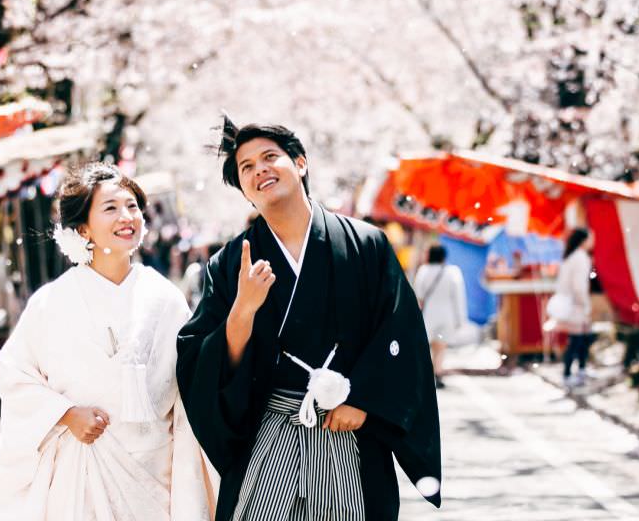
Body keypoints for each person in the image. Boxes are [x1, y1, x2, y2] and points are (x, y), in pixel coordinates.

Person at [176, 118, 442, 521]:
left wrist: (364, 398)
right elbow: (200, 359)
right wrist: (243, 310)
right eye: (246, 168)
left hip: (348, 425)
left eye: (270, 157)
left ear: (300, 163)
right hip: (269, 431)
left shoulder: (365, 245)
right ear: (244, 191)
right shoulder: (229, 264)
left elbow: (398, 330)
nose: (259, 170)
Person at [0, 162, 216, 521]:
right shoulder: (51, 303)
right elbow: (17, 378)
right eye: (111, 208)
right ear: (82, 228)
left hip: (154, 472)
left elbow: (188, 392)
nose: (127, 216)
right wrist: (65, 414)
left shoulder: (165, 298)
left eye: (133, 206)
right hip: (80, 469)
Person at [414, 244, 468, 388]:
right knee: (441, 346)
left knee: (428, 346)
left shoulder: (423, 271)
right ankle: (437, 372)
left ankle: (428, 374)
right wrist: (460, 319)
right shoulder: (453, 272)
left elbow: (418, 294)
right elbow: (458, 297)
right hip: (447, 315)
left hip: (428, 314)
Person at [555, 228, 594, 388]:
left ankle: (580, 370)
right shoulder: (580, 258)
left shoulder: (570, 257)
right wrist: (585, 303)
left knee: (581, 339)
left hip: (570, 302)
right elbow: (579, 286)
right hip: (577, 304)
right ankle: (568, 373)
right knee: (578, 340)